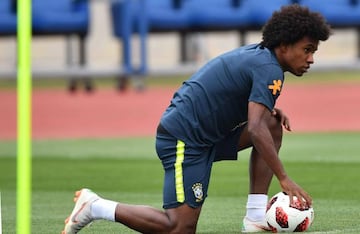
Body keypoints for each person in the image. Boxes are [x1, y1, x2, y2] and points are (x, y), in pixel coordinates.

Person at [62, 4, 331, 234]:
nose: (311, 59)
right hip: (183, 139)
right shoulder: (269, 68)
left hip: (207, 135)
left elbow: (256, 117)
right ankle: (94, 206)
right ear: (283, 45)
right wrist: (284, 178)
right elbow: (255, 127)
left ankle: (256, 217)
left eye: (313, 52)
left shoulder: (265, 60)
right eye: (307, 50)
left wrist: (268, 110)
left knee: (272, 125)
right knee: (178, 228)